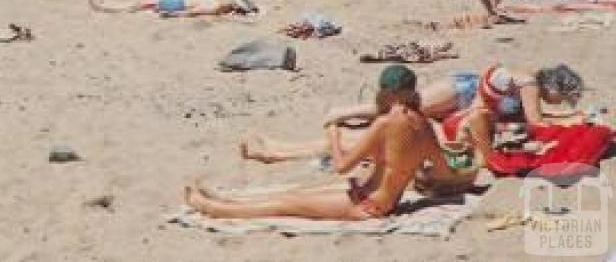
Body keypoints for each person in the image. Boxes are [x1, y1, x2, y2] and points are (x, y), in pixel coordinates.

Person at [189, 65, 459, 221]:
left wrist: (334, 135)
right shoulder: (424, 126)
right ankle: (225, 199)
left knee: (286, 204)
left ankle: (214, 208)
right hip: (381, 199)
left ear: (386, 93)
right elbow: (444, 171)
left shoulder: (385, 124)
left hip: (368, 204)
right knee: (294, 196)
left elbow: (342, 166)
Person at [244, 64, 585, 166]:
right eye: (563, 97)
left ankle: (276, 150)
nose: (559, 102)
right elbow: (538, 121)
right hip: (460, 98)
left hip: (459, 109)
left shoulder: (525, 85)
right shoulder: (530, 86)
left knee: (367, 136)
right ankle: (280, 148)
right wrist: (571, 121)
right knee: (388, 120)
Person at [88, 0, 258, 17]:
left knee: (137, 5)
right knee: (138, 3)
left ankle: (104, 7)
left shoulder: (217, 6)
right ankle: (106, 5)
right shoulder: (221, 1)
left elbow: (194, 11)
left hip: (177, 3)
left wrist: (173, 14)